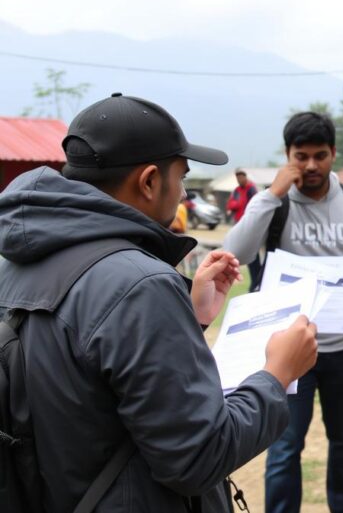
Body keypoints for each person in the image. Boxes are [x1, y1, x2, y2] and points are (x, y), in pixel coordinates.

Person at [0, 92, 318, 512]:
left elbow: (88, 383)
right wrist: (276, 376)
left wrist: (190, 316)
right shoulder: (139, 285)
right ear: (149, 181)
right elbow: (198, 456)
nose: (183, 192)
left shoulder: (16, 264)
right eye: (182, 176)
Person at [223, 111, 343, 513]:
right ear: (288, 155)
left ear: (334, 154)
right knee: (283, 448)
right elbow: (235, 253)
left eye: (320, 155)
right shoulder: (274, 204)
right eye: (301, 156)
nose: (311, 165)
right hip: (288, 352)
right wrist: (271, 195)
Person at [226, 168, 262, 291]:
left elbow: (256, 205)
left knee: (253, 254)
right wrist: (236, 205)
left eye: (241, 177)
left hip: (251, 226)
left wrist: (237, 205)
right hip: (239, 226)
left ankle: (256, 282)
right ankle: (254, 282)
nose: (239, 179)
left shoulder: (251, 189)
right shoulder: (236, 190)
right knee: (240, 253)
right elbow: (230, 204)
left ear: (245, 177)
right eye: (237, 177)